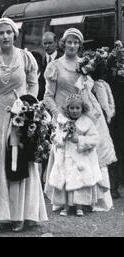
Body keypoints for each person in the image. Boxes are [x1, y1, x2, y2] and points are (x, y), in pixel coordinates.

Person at [0, 18, 48, 232]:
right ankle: (4, 216)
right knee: (2, 161)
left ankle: (23, 215)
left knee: (21, 160)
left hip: (22, 114)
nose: (5, 36)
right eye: (0, 33)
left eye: (9, 32)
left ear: (14, 34)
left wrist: (29, 104)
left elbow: (34, 81)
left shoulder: (26, 57)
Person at [43, 28, 117, 212]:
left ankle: (87, 200)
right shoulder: (55, 66)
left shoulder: (86, 64)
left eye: (76, 43)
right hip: (63, 117)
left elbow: (88, 91)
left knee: (87, 155)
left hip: (82, 116)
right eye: (69, 42)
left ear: (80, 46)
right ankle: (65, 200)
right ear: (63, 43)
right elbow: (48, 96)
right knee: (65, 156)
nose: (72, 46)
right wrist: (57, 115)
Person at [46, 94, 103, 217]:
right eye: (72, 108)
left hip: (80, 156)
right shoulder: (62, 121)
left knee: (79, 180)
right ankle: (65, 206)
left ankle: (79, 205)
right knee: (66, 180)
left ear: (82, 108)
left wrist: (80, 140)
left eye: (78, 108)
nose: (75, 111)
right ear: (67, 109)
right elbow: (55, 136)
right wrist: (62, 137)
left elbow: (95, 139)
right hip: (65, 155)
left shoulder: (87, 122)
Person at [38, 32, 63, 100]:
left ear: (56, 43)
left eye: (50, 43)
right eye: (45, 43)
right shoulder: (39, 61)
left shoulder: (62, 60)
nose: (47, 46)